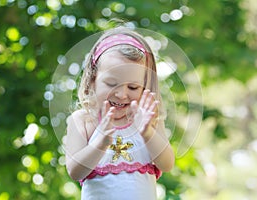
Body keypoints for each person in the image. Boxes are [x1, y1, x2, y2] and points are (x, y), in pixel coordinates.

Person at [65, 26, 175, 200]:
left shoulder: (149, 118)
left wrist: (147, 133)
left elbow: (167, 164)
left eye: (133, 87)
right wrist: (100, 144)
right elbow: (74, 171)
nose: (122, 94)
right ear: (92, 80)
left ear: (144, 86)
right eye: (111, 83)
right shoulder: (83, 120)